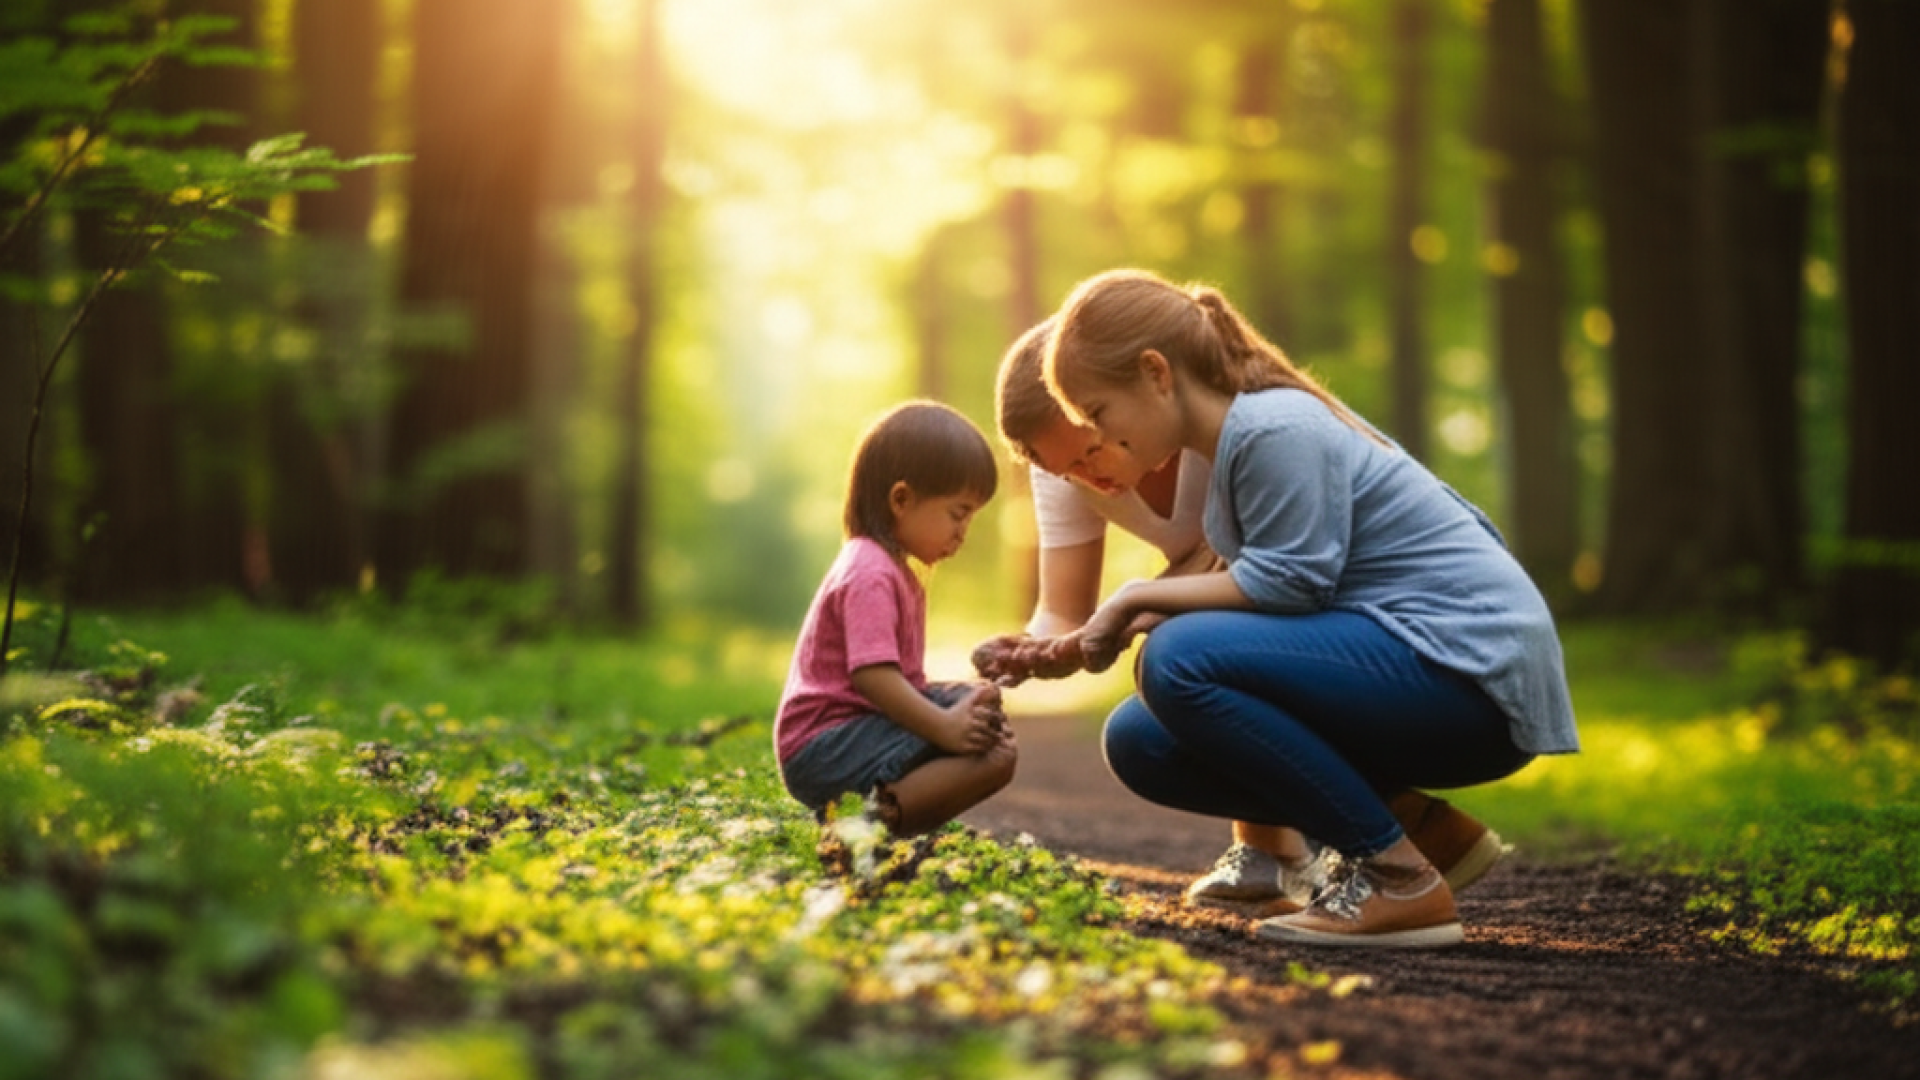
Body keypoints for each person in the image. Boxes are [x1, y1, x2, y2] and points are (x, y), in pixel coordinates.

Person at [1041, 268, 1579, 948]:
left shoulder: (1271, 427)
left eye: (1098, 412)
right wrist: (1121, 619)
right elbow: (1266, 594)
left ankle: (1397, 881)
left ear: (1155, 372)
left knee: (1178, 661)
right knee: (1141, 741)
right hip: (1408, 662)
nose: (1098, 436)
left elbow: (1291, 585)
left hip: (1469, 675)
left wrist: (1138, 597)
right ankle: (1418, 831)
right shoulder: (1237, 443)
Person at [974, 318, 1511, 915]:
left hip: (1364, 622)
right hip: (1268, 617)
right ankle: (1401, 829)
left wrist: (1137, 604)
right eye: (1062, 469)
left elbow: (1267, 580)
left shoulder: (1221, 422)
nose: (1085, 476)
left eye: (1090, 445)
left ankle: (1341, 857)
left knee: (1184, 650)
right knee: (1137, 737)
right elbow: (1063, 611)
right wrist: (1033, 651)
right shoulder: (1065, 468)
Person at [775, 400, 1018, 837]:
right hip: (826, 746)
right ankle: (863, 831)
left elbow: (904, 683)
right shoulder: (870, 571)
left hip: (850, 734)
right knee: (993, 753)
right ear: (901, 499)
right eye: (957, 513)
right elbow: (873, 676)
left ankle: (895, 816)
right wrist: (944, 726)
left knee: (982, 709)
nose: (963, 532)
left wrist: (967, 698)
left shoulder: (894, 572)